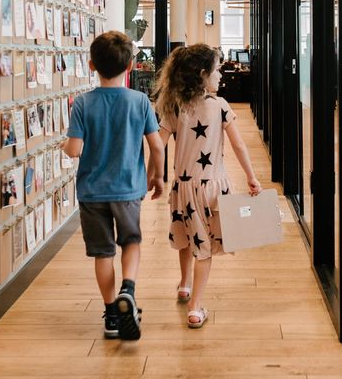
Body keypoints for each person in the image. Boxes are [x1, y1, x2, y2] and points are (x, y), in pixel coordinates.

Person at [63, 31, 164, 340]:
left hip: (92, 192)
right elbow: (157, 146)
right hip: (128, 189)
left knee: (102, 252)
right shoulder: (140, 101)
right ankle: (128, 290)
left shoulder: (83, 103)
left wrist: (64, 146)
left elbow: (74, 150)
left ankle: (111, 315)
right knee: (131, 241)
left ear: (91, 65)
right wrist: (157, 177)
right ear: (130, 66)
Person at [154, 44, 262, 329]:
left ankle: (184, 284)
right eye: (216, 70)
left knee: (186, 236)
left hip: (182, 188)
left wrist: (153, 175)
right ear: (203, 74)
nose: (220, 75)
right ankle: (195, 307)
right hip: (212, 188)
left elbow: (158, 144)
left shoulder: (176, 106)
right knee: (204, 248)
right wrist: (251, 176)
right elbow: (239, 146)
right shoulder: (220, 106)